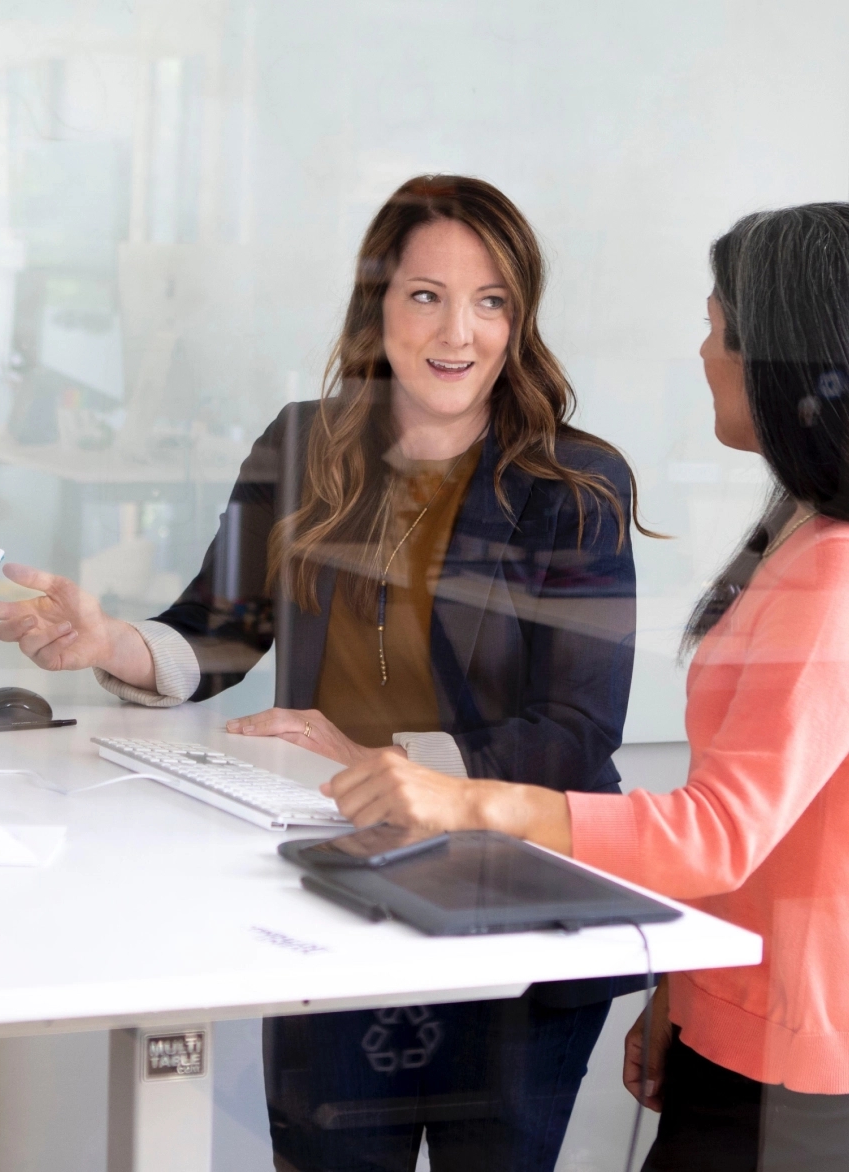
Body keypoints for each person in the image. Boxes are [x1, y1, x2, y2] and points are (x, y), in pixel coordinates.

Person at [0, 175, 650, 1171]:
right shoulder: (304, 444)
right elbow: (217, 630)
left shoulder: (574, 482)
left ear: (521, 316)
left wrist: (374, 753)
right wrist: (109, 640)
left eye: (491, 299)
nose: (457, 330)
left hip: (515, 889)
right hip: (342, 883)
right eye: (426, 294)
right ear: (376, 306)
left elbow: (576, 732)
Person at [325, 202, 849, 1171]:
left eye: (717, 324)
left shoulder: (834, 568)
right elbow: (779, 837)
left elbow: (719, 828)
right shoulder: (802, 534)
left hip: (800, 1057)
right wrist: (682, 995)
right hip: (739, 1016)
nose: (701, 350)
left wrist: (464, 793)